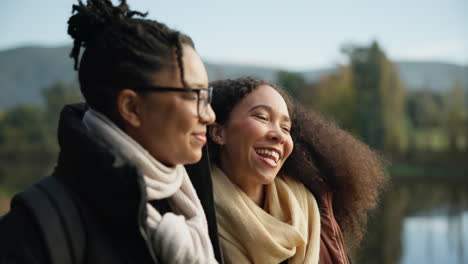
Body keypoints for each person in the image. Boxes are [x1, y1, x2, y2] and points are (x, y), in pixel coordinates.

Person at [0, 0, 222, 263]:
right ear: (132, 107)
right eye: (194, 95)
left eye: (206, 96)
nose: (210, 115)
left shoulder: (187, 204)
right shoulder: (33, 231)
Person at [207, 77, 388, 264]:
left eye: (286, 128)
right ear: (219, 133)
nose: (279, 135)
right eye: (262, 117)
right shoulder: (191, 215)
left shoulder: (315, 211)